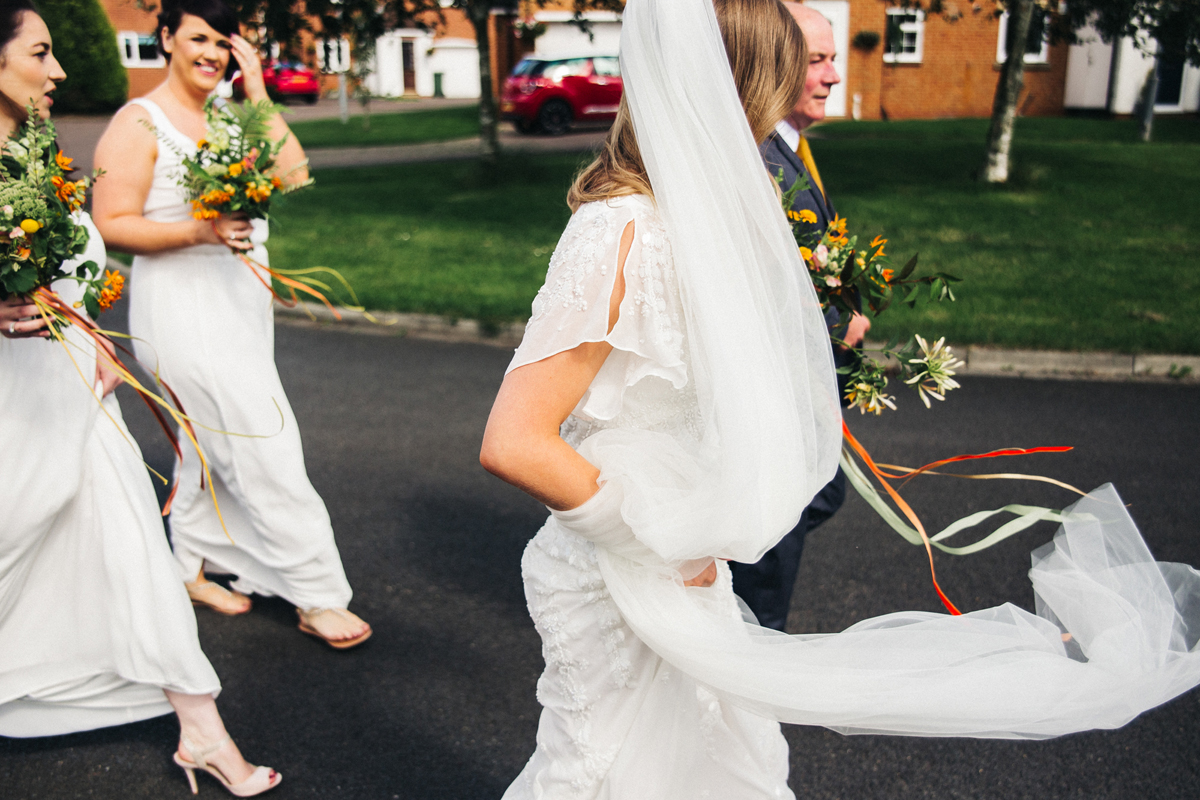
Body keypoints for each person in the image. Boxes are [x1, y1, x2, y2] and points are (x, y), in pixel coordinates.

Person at [482, 0, 1200, 795]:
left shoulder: (713, 212)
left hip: (690, 559)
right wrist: (666, 543)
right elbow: (515, 440)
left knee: (719, 766)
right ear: (740, 81)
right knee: (604, 775)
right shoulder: (620, 228)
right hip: (625, 570)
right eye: (785, 68)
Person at [0, 3, 280, 795]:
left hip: (77, 387)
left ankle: (203, 731)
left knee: (131, 545)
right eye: (40, 53)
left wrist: (85, 336)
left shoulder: (33, 153)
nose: (57, 71)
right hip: (10, 398)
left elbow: (66, 264)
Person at [91, 0, 370, 649]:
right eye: (198, 38)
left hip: (238, 310)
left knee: (203, 445)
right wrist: (200, 230)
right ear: (166, 38)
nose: (212, 53)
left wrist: (261, 93)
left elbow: (294, 173)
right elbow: (110, 223)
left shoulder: (229, 116)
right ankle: (317, 590)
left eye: (224, 43)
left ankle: (186, 565)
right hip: (181, 313)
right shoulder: (139, 122)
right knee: (262, 442)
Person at [731, 1, 867, 631]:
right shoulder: (758, 162)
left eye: (833, 59)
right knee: (789, 508)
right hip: (768, 410)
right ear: (773, 60)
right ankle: (746, 628)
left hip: (795, 397)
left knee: (821, 490)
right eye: (817, 60)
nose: (833, 76)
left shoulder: (786, 151)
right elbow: (751, 290)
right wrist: (838, 328)